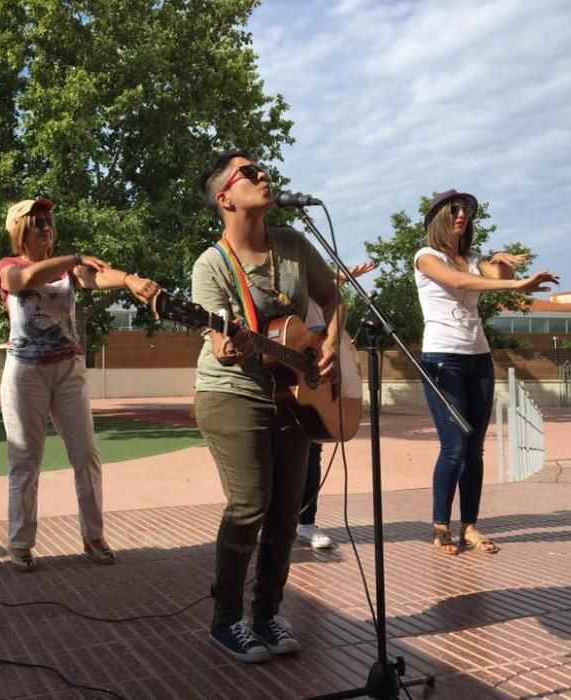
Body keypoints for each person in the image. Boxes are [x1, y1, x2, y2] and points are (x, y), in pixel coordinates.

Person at [192, 149, 343, 663]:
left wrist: (326, 346)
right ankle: (226, 619)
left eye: (263, 168)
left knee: (286, 513)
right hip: (232, 393)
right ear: (225, 196)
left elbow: (332, 297)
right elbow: (222, 346)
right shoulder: (211, 265)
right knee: (250, 506)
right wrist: (231, 342)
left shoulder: (295, 244)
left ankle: (267, 615)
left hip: (294, 398)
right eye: (249, 173)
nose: (263, 175)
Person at [0, 198, 160, 572]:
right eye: (36, 222)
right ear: (19, 229)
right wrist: (74, 258)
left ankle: (94, 536)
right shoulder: (9, 267)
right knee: (26, 459)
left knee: (86, 454)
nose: (45, 227)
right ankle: (20, 543)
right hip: (25, 374)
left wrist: (130, 280)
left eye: (48, 220)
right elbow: (24, 281)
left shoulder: (68, 272)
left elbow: (97, 276)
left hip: (69, 370)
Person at [414, 189, 558, 555]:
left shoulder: (472, 257)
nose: (462, 215)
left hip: (479, 358)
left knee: (475, 448)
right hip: (441, 359)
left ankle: (470, 526)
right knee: (454, 447)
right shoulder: (426, 257)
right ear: (438, 218)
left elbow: (494, 274)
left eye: (466, 211)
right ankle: (440, 526)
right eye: (454, 210)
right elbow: (460, 283)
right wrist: (514, 283)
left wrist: (503, 262)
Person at [297, 261, 376, 550]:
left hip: (314, 366)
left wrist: (337, 281)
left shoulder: (315, 287)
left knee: (312, 448)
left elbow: (328, 299)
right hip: (281, 367)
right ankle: (272, 521)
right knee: (276, 451)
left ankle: (305, 523)